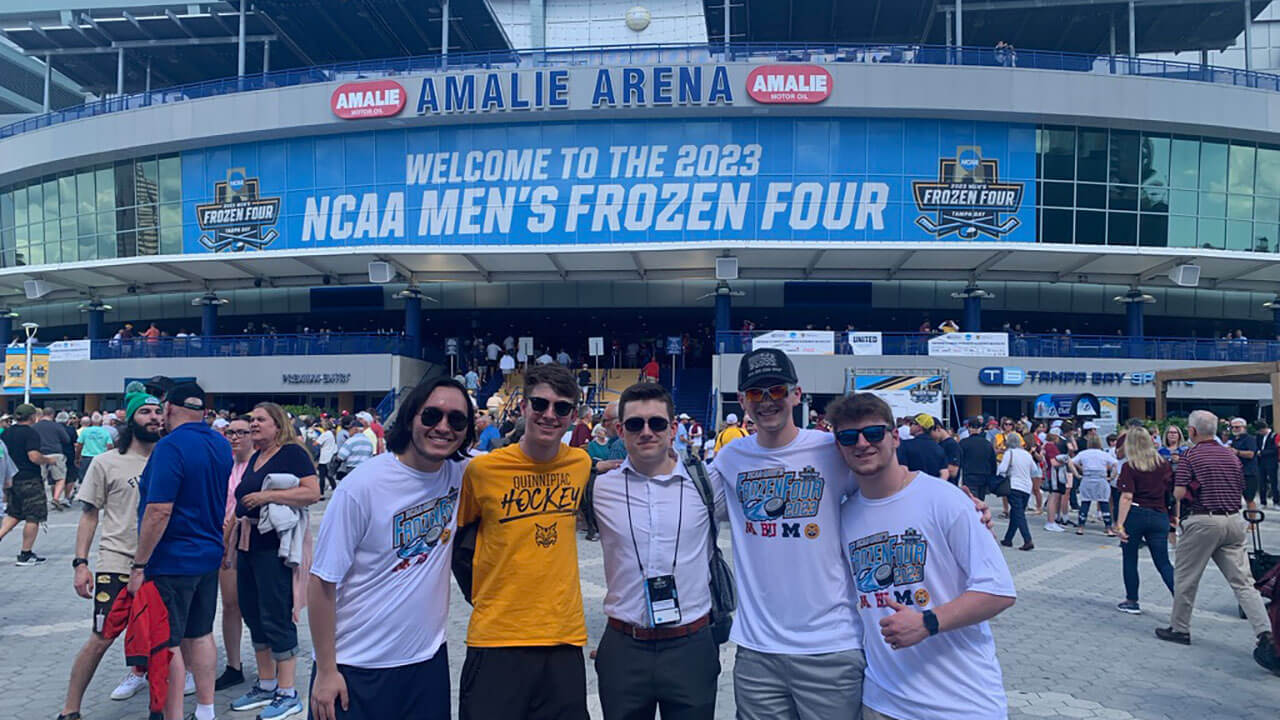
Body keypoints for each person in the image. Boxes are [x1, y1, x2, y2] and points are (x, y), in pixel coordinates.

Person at [828, 392, 1016, 720]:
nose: (861, 444)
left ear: (895, 436)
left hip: (960, 703)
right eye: (848, 437)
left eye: (873, 433)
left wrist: (928, 622)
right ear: (838, 446)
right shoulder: (843, 517)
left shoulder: (944, 500)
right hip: (883, 702)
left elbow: (998, 590)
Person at [707, 348, 865, 719]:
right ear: (742, 401)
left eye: (776, 390)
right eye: (754, 393)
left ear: (796, 394)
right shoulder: (731, 458)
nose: (766, 402)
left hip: (831, 647)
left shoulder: (831, 450)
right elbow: (684, 502)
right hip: (757, 650)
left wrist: (960, 506)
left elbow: (887, 496)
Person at [309, 378, 474, 720]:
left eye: (456, 420)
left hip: (426, 663)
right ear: (411, 416)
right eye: (431, 416)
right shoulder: (362, 487)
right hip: (356, 666)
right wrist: (326, 671)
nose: (443, 427)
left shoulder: (462, 474)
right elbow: (322, 582)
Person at [455, 363, 593, 720]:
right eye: (540, 404)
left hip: (562, 638)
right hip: (497, 636)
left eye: (561, 408)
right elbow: (460, 543)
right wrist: (483, 595)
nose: (549, 415)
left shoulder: (579, 463)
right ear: (523, 407)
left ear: (572, 416)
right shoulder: (483, 470)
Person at [588, 383, 724, 719]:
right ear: (620, 430)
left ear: (673, 428)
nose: (646, 432)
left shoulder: (708, 483)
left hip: (690, 644)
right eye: (635, 424)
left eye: (657, 423)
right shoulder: (599, 488)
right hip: (624, 646)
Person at [57, 390, 165, 720]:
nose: (155, 418)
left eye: (158, 412)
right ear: (130, 419)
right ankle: (70, 709)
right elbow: (89, 515)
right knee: (101, 637)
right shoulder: (107, 462)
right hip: (117, 562)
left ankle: (161, 706)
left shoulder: (169, 458)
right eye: (146, 412)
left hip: (163, 565)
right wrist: (80, 563)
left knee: (166, 640)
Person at [129, 382, 232, 720]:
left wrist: (139, 563)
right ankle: (205, 710)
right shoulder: (219, 443)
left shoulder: (170, 447)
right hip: (207, 555)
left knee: (168, 642)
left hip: (172, 559)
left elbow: (159, 510)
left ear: (170, 408)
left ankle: (171, 714)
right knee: (201, 633)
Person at [1155, 410, 1274, 672]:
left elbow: (1179, 492)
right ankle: (1266, 633)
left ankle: (1180, 628)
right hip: (1233, 521)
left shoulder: (1191, 455)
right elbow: (1243, 486)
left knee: (1186, 578)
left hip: (1203, 520)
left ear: (1193, 432)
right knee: (1243, 583)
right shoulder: (1230, 456)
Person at [228, 403, 321, 720]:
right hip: (247, 545)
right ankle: (266, 684)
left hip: (274, 548)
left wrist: (268, 497)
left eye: (259, 420)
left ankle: (287, 692)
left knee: (277, 614)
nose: (253, 424)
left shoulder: (293, 454)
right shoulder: (256, 456)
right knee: (253, 614)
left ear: (277, 424)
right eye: (250, 419)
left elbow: (312, 492)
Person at [1113, 428, 1175, 615]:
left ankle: (1132, 600)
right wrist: (1172, 518)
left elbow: (1126, 497)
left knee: (1130, 559)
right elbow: (1170, 493)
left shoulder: (1130, 466)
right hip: (1159, 514)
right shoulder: (1163, 464)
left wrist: (1119, 524)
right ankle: (1181, 599)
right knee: (1163, 562)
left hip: (1136, 514)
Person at [216, 416, 254, 692]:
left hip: (252, 540)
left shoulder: (259, 465)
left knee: (259, 605)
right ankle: (234, 664)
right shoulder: (223, 466)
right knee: (230, 604)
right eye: (231, 432)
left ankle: (272, 665)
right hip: (223, 540)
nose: (236, 437)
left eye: (242, 432)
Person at [0, 403, 55, 564]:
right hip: (29, 478)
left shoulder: (6, 433)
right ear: (32, 417)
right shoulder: (31, 433)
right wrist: (48, 460)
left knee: (14, 513)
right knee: (33, 516)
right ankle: (26, 553)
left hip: (11, 479)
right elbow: (34, 456)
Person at [1071, 435, 1119, 535]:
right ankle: (1109, 528)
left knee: (1085, 502)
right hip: (1101, 479)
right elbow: (1116, 464)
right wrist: (1112, 477)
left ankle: (1080, 527)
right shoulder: (1103, 454)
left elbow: (1071, 462)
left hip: (1087, 478)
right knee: (1104, 502)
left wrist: (1078, 473)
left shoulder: (1083, 453)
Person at [997, 432, 1036, 551]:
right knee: (1016, 512)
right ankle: (1008, 539)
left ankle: (1027, 539)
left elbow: (1002, 469)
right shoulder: (1027, 454)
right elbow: (1034, 470)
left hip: (1014, 486)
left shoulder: (1010, 453)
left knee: (1019, 514)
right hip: (1027, 487)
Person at [34, 406, 74, 510]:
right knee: (60, 478)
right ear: (52, 415)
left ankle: (38, 498)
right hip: (56, 453)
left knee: (40, 478)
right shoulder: (56, 426)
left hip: (40, 453)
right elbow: (66, 439)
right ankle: (56, 498)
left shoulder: (35, 426)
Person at [896, 414, 947, 479]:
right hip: (932, 486)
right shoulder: (939, 448)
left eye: (912, 423)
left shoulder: (905, 446)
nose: (910, 426)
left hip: (913, 486)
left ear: (919, 427)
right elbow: (944, 473)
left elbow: (903, 471)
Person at [958, 417, 998, 501]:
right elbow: (993, 462)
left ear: (969, 428)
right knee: (981, 500)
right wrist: (992, 476)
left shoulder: (963, 443)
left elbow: (959, 461)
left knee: (972, 501)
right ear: (980, 429)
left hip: (969, 475)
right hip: (984, 476)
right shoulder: (987, 444)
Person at [1227, 417, 1260, 512]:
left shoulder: (1250, 439)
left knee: (1249, 499)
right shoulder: (1233, 440)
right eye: (1232, 427)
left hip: (1249, 473)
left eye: (1237, 427)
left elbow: (1251, 454)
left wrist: (1237, 452)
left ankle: (1252, 524)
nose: (1234, 429)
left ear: (1244, 427)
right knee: (1233, 499)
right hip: (1236, 473)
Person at [75, 414, 113, 481]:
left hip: (86, 457)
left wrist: (77, 457)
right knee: (99, 479)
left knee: (85, 480)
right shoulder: (105, 432)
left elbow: (79, 445)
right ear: (101, 421)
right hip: (101, 458)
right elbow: (110, 446)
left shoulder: (85, 431)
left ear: (91, 422)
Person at [313, 419, 338, 498]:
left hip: (324, 457)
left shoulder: (325, 434)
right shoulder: (331, 434)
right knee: (329, 475)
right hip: (330, 456)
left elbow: (316, 443)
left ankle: (321, 493)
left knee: (322, 476)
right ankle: (335, 488)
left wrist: (313, 439)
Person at [1257, 420, 1277, 509]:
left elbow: (1274, 450)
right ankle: (1263, 502)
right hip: (1261, 462)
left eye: (1261, 431)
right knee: (1262, 482)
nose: (1260, 433)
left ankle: (1276, 501)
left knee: (1274, 482)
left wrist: (1262, 452)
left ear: (1265, 429)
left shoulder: (1274, 436)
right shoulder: (1259, 437)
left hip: (1271, 461)